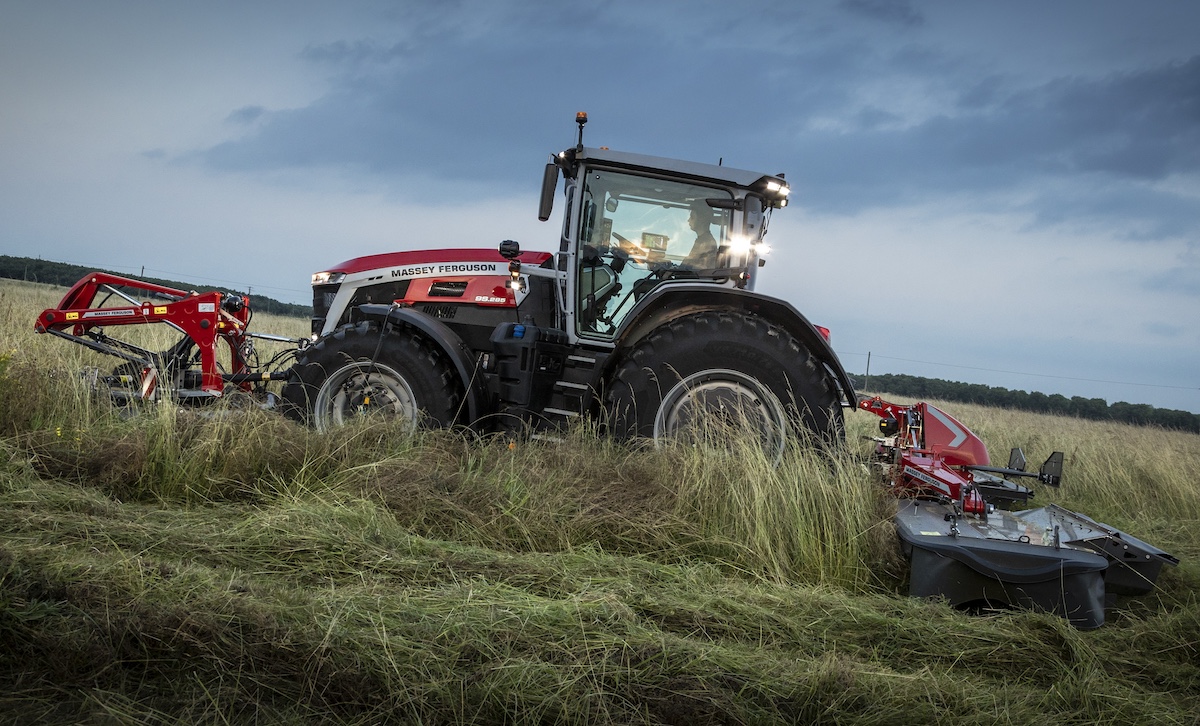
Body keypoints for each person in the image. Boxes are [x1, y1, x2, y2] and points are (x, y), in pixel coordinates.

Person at [682, 200, 718, 269]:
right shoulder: (702, 240)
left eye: (692, 217)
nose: (688, 220)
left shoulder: (707, 243)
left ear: (702, 219)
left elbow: (691, 265)